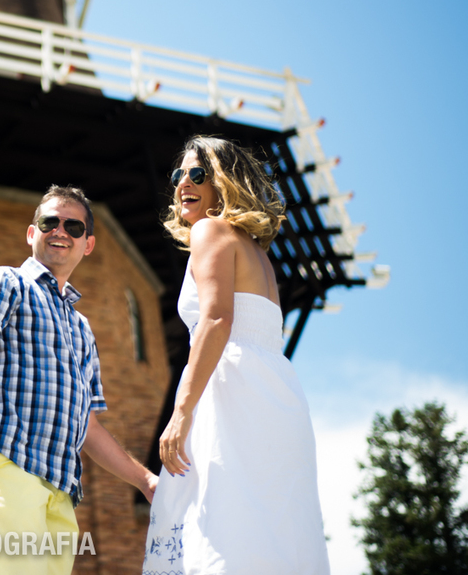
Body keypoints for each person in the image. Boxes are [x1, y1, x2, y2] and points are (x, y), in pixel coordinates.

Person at [142, 136, 331, 575]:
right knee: (272, 530)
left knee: (220, 526)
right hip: (277, 394)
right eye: (177, 175)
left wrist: (181, 411)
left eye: (197, 174)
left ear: (224, 183)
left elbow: (215, 321)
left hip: (229, 390)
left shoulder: (210, 230)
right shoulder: (260, 255)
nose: (182, 183)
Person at [0, 184, 158, 575]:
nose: (61, 231)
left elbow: (89, 426)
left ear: (88, 244)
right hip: (5, 470)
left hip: (60, 492)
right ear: (32, 233)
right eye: (50, 222)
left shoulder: (81, 329)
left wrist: (146, 480)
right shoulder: (6, 282)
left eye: (74, 227)